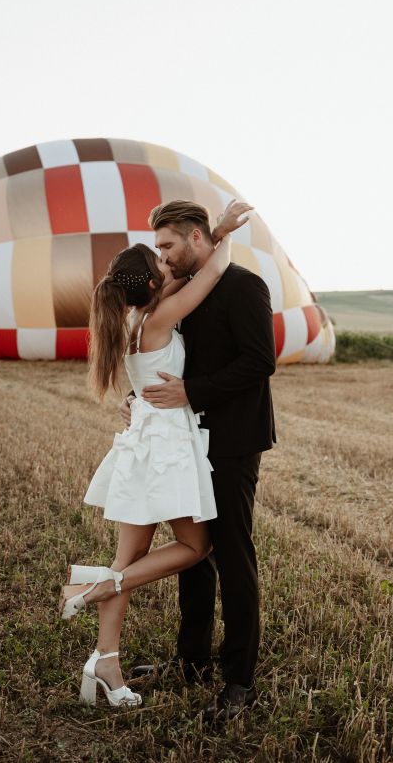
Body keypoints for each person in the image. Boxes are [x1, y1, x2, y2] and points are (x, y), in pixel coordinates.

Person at [58, 199, 252, 710]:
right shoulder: (161, 315)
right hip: (165, 443)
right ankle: (101, 586)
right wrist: (223, 230)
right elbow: (210, 271)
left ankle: (105, 663)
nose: (168, 265)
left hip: (141, 441)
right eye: (160, 262)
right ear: (150, 284)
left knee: (132, 551)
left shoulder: (129, 321)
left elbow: (186, 277)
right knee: (195, 547)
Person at [125, 199, 277, 720]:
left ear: (196, 238)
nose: (161, 259)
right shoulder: (184, 293)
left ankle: (239, 680)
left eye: (167, 246)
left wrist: (194, 391)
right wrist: (141, 401)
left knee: (233, 554)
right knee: (193, 552)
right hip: (186, 440)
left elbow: (261, 362)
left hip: (233, 439)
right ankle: (191, 661)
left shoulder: (243, 285)